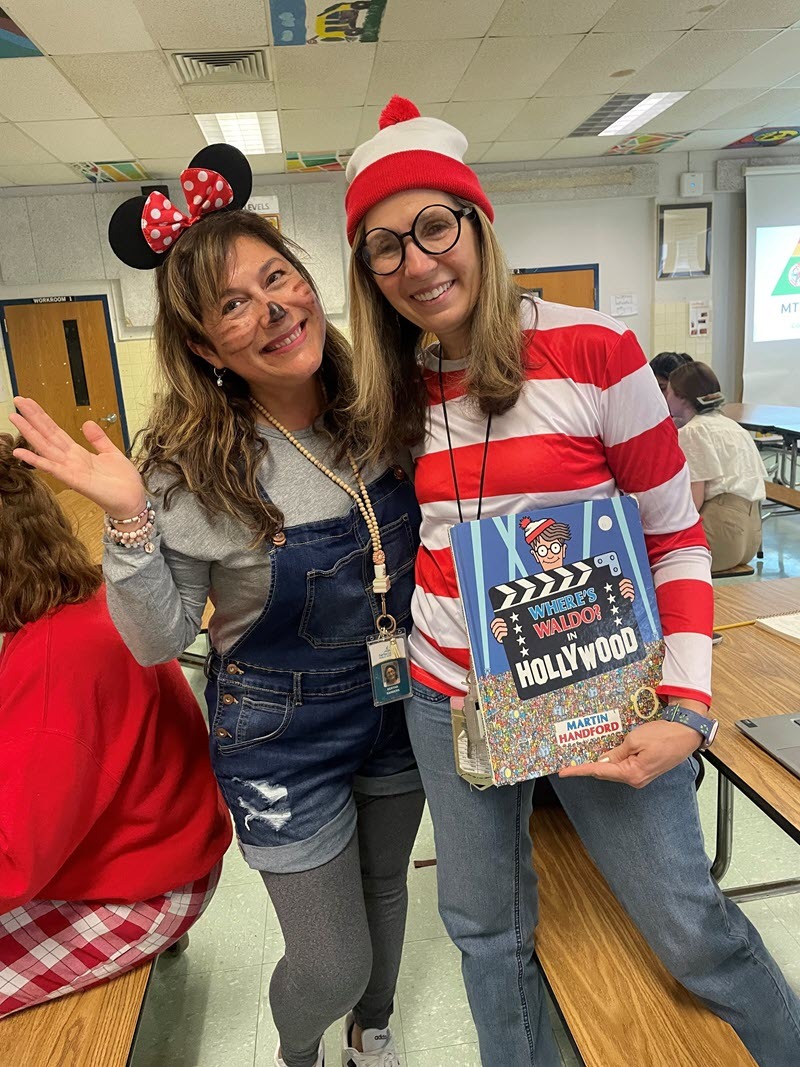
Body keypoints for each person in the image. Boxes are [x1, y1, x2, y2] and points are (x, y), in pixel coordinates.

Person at [343, 96, 800, 1067]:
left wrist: (685, 701)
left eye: (433, 226)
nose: (416, 262)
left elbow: (674, 538)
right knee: (482, 929)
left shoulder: (593, 348)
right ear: (367, 269)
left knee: (684, 923)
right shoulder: (394, 380)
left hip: (588, 684)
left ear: (476, 225)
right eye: (385, 246)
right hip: (447, 695)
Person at [10, 144, 424, 1067]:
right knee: (328, 959)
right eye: (235, 303)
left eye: (278, 277)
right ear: (204, 346)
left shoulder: (385, 408)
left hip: (399, 705)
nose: (274, 307)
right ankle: (301, 1051)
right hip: (282, 735)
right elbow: (159, 638)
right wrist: (128, 521)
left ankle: (375, 1030)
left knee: (388, 889)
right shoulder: (188, 469)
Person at [0, 435, 230, 1018]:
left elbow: (14, 865)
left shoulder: (52, 670)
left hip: (148, 883)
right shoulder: (79, 601)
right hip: (166, 842)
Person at [667, 362, 767, 572]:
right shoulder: (733, 426)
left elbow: (694, 501)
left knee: (659, 557)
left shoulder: (692, 432)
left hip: (721, 536)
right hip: (751, 537)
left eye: (668, 391)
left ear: (682, 397)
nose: (666, 398)